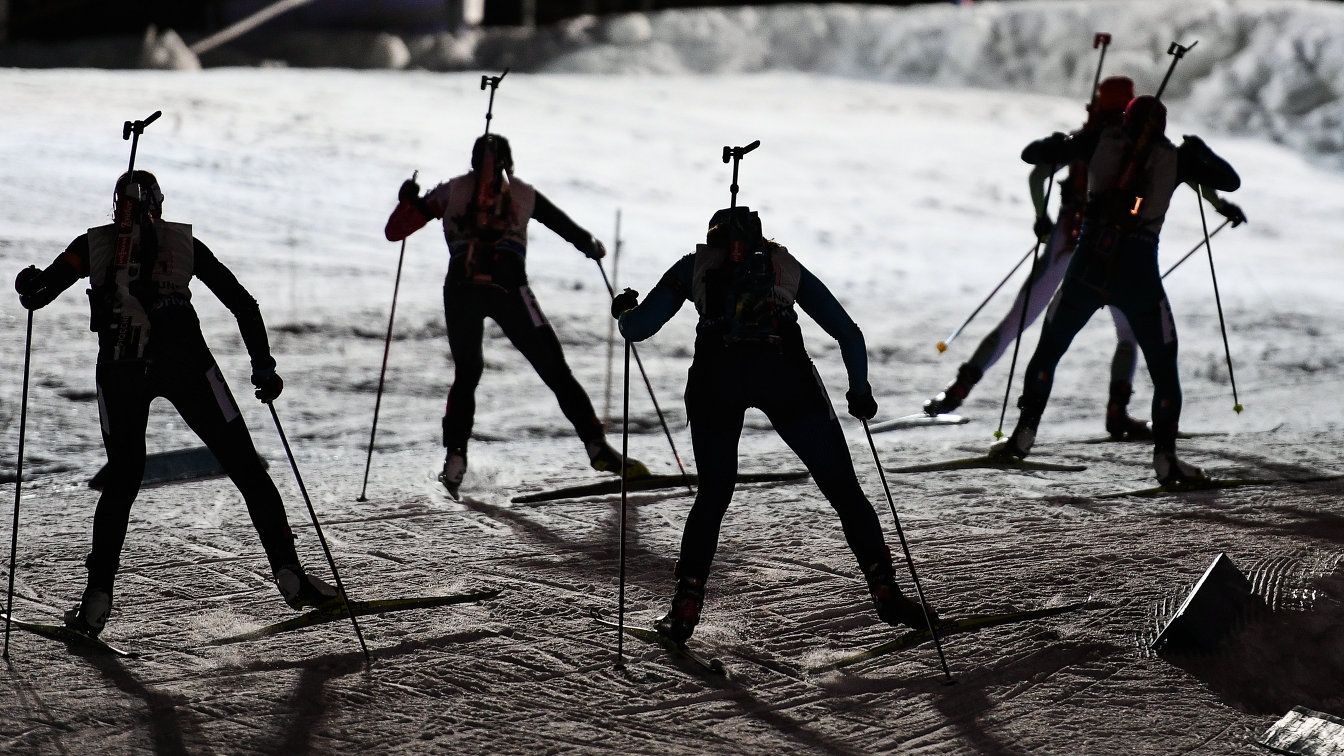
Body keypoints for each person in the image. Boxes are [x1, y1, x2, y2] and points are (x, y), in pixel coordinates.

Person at [13, 170, 338, 637]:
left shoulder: (92, 245)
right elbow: (243, 304)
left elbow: (39, 294)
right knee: (246, 467)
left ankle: (96, 600)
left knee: (123, 479)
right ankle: (288, 571)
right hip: (187, 361)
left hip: (121, 366)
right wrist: (262, 365)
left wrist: (30, 283)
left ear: (114, 208)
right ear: (159, 206)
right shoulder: (184, 245)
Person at [613, 206, 934, 643]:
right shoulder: (784, 265)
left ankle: (685, 608)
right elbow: (848, 333)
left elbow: (639, 328)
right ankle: (885, 591)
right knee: (842, 488)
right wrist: (859, 392)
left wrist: (624, 311)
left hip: (716, 380)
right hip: (786, 376)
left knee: (713, 495)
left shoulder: (695, 267)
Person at [924, 76, 1246, 439]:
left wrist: (1040, 218)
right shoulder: (1147, 147)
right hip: (1124, 255)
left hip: (1068, 241)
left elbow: (1037, 172)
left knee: (1020, 321)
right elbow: (1193, 175)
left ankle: (960, 390)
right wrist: (1221, 205)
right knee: (1129, 334)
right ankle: (1117, 412)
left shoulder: (1091, 139)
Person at [990, 96, 1244, 484]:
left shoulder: (1098, 142)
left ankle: (1023, 435)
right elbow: (1230, 180)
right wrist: (1200, 149)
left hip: (1087, 268)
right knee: (1164, 367)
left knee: (1049, 350)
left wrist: (1080, 136)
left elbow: (1032, 154)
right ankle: (1165, 459)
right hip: (1139, 272)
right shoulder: (1177, 158)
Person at [385, 134, 647, 497]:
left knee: (468, 371)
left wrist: (408, 201)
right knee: (555, 369)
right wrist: (591, 246)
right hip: (511, 290)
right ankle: (596, 447)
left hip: (460, 290)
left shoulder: (451, 191)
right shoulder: (524, 194)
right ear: (510, 162)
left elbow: (395, 231)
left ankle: (455, 458)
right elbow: (566, 228)